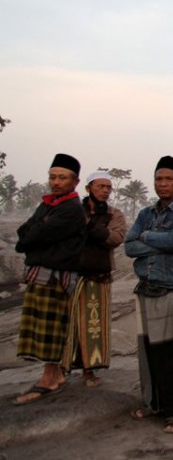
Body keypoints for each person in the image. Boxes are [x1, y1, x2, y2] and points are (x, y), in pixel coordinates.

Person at [125, 156, 173, 434]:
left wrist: (147, 238)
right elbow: (128, 247)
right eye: (159, 179)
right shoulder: (146, 214)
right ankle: (153, 403)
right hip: (146, 287)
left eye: (169, 179)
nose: (163, 183)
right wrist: (162, 245)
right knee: (149, 353)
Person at [13, 153, 86, 405]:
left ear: (75, 182)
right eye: (53, 177)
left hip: (56, 278)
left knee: (51, 329)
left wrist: (36, 237)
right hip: (43, 274)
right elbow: (24, 234)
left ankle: (50, 377)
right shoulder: (49, 204)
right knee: (43, 327)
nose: (56, 182)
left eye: (62, 178)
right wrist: (36, 236)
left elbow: (33, 236)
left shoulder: (71, 209)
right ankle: (54, 374)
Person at [61, 170, 127, 387]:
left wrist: (89, 227)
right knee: (67, 325)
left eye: (108, 187)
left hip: (98, 277)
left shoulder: (114, 214)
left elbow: (115, 238)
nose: (105, 191)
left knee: (93, 326)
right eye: (101, 186)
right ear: (88, 188)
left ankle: (89, 371)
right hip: (71, 276)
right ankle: (62, 369)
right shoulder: (73, 211)